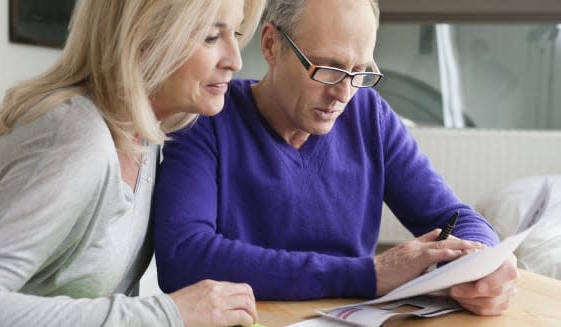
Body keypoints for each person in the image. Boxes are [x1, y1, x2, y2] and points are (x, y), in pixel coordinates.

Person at [152, 0, 520, 317]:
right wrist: (368, 274)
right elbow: (184, 257)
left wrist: (483, 261)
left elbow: (453, 217)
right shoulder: (206, 117)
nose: (342, 94)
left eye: (359, 72)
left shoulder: (368, 116)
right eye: (328, 68)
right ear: (270, 45)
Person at [0, 0, 265, 326]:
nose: (235, 60)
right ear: (145, 39)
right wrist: (167, 314)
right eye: (210, 37)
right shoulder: (78, 140)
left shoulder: (141, 133)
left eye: (237, 32)